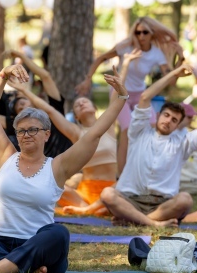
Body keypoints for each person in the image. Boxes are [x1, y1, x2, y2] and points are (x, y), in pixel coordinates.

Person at [0, 64, 129, 273]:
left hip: (39, 243)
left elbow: (94, 135)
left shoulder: (58, 166)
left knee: (58, 233)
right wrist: (2, 76)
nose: (26, 135)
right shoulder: (5, 156)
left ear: (46, 134)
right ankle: (21, 269)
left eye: (33, 129)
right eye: (21, 131)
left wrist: (121, 97)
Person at [100, 63, 197, 227]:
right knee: (107, 194)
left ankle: (135, 219)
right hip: (130, 199)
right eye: (166, 115)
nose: (168, 121)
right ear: (158, 115)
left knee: (185, 200)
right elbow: (145, 97)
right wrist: (174, 73)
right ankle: (153, 223)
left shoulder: (183, 142)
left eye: (174, 120)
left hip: (162, 205)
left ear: (177, 126)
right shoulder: (139, 131)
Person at [76, 17, 183, 175]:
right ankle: (121, 174)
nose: (141, 36)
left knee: (153, 127)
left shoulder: (156, 53)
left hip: (139, 94)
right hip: (120, 92)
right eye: (137, 32)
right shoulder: (126, 46)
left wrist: (181, 59)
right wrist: (87, 79)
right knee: (126, 129)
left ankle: (149, 168)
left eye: (145, 32)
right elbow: (101, 58)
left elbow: (172, 80)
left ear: (152, 34)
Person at [6, 77, 117, 217]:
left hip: (110, 189)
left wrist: (123, 70)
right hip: (85, 193)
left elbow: (116, 101)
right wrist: (24, 90)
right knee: (53, 185)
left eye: (85, 101)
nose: (81, 103)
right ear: (76, 116)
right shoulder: (76, 132)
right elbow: (50, 111)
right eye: (77, 105)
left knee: (119, 188)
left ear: (95, 108)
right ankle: (94, 209)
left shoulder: (109, 127)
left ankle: (90, 210)